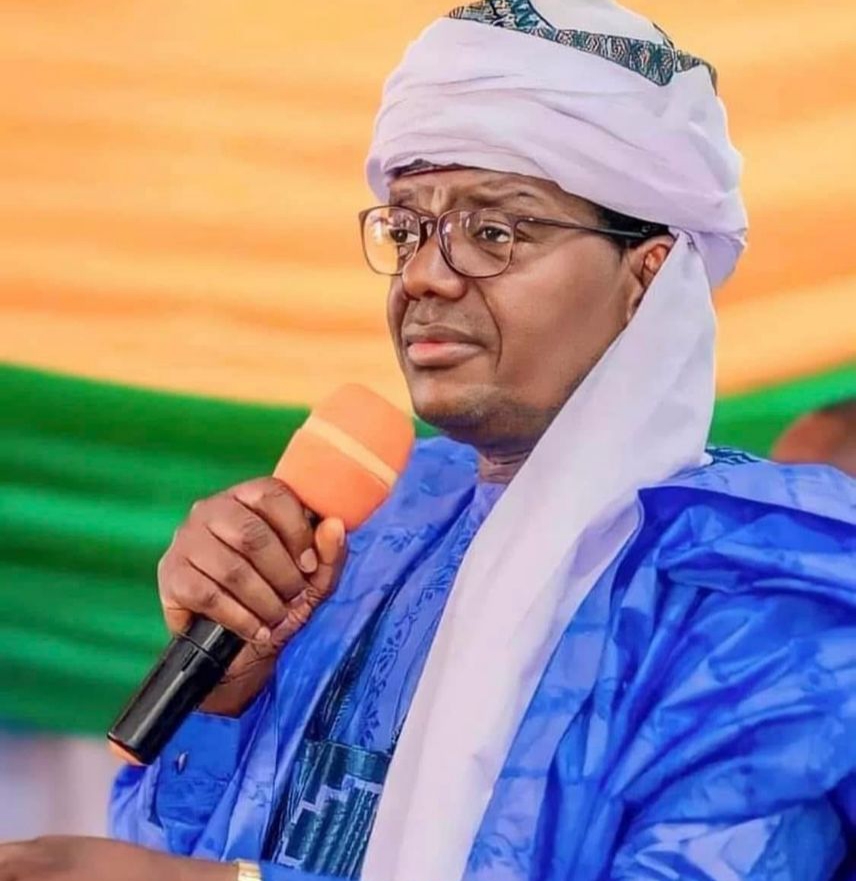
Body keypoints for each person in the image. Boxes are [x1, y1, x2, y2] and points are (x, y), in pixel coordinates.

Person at [2, 1, 854, 879]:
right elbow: (175, 852)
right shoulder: (372, 533)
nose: (423, 276)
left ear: (649, 273)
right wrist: (230, 697)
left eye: (495, 231)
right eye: (407, 227)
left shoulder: (759, 594)